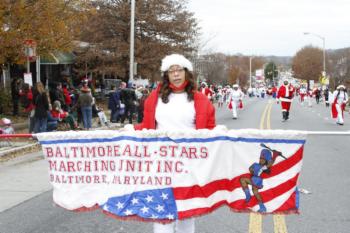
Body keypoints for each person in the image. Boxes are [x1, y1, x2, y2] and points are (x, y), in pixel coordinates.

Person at [134, 53, 216, 233]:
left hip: (189, 163)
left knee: (186, 212)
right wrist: (131, 130)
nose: (176, 74)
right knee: (162, 213)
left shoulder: (200, 99)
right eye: (172, 71)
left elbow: (209, 129)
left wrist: (219, 136)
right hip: (160, 161)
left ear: (186, 72)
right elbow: (147, 126)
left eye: (179, 70)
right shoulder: (154, 98)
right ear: (167, 75)